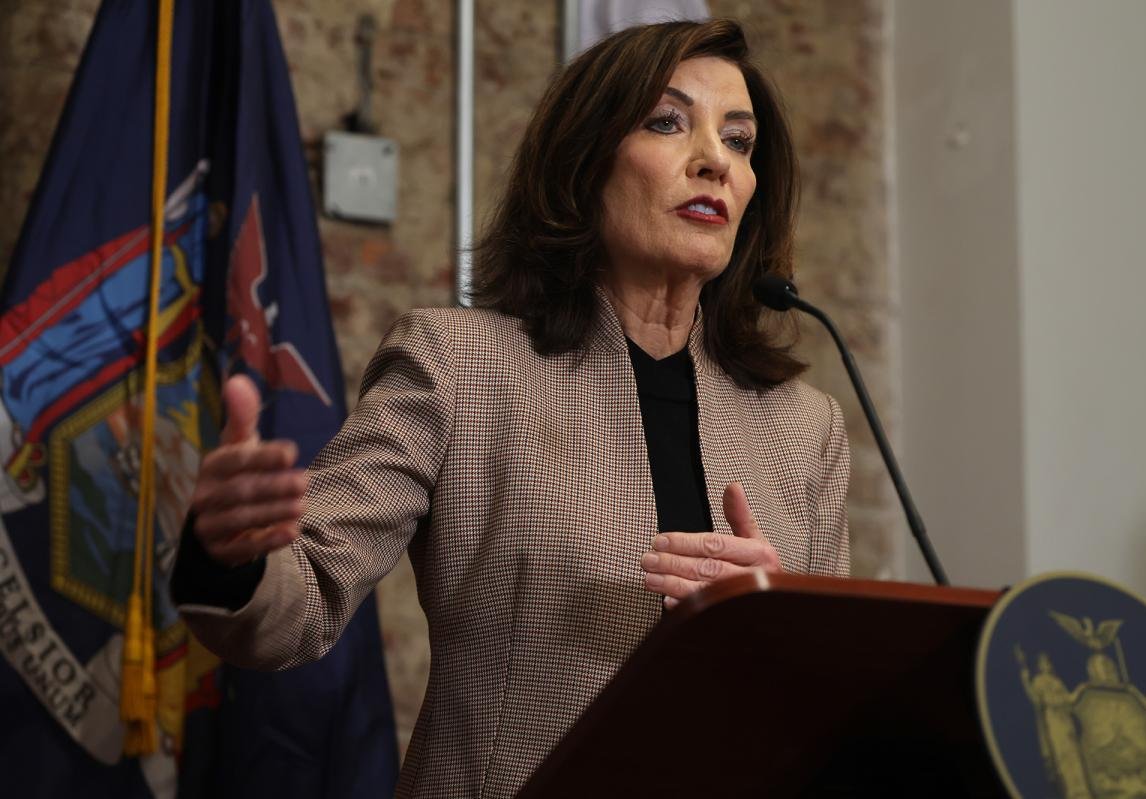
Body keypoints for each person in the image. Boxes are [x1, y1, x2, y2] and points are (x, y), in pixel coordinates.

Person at [171, 18, 850, 798]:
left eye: (739, 141)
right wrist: (232, 554)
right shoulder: (458, 366)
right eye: (667, 122)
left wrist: (779, 626)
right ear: (583, 161)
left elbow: (827, 711)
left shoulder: (805, 427)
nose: (714, 161)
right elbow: (303, 598)